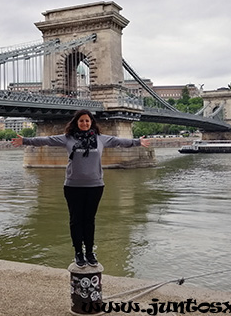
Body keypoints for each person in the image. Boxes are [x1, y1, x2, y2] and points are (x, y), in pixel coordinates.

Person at [12, 109, 150, 268]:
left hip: (95, 186)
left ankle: (90, 252)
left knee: (89, 221)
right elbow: (47, 140)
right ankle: (78, 252)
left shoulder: (100, 139)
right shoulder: (67, 139)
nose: (84, 123)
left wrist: (138, 142)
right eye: (81, 121)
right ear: (76, 123)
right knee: (75, 220)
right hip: (73, 186)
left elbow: (120, 141)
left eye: (87, 121)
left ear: (91, 123)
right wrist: (26, 141)